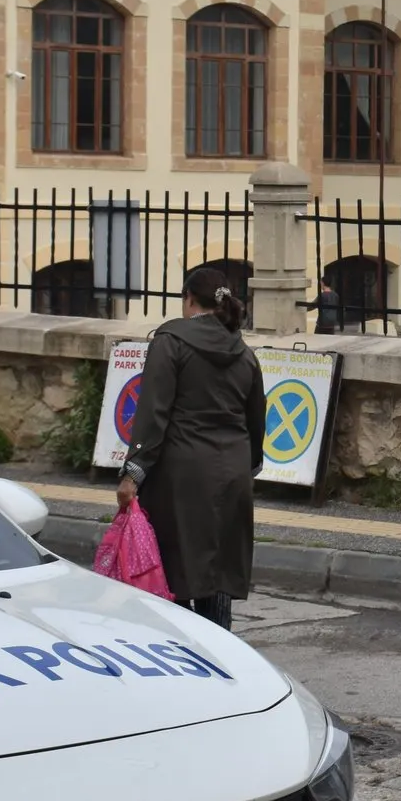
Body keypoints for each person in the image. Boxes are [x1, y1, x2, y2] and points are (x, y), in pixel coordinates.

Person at [116, 266, 267, 631]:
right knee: (217, 573)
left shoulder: (171, 342)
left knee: (175, 569)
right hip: (232, 473)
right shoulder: (244, 352)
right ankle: (220, 653)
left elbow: (153, 411)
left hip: (180, 474)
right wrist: (248, 467)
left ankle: (181, 655)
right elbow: (255, 417)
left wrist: (134, 470)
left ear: (188, 300)